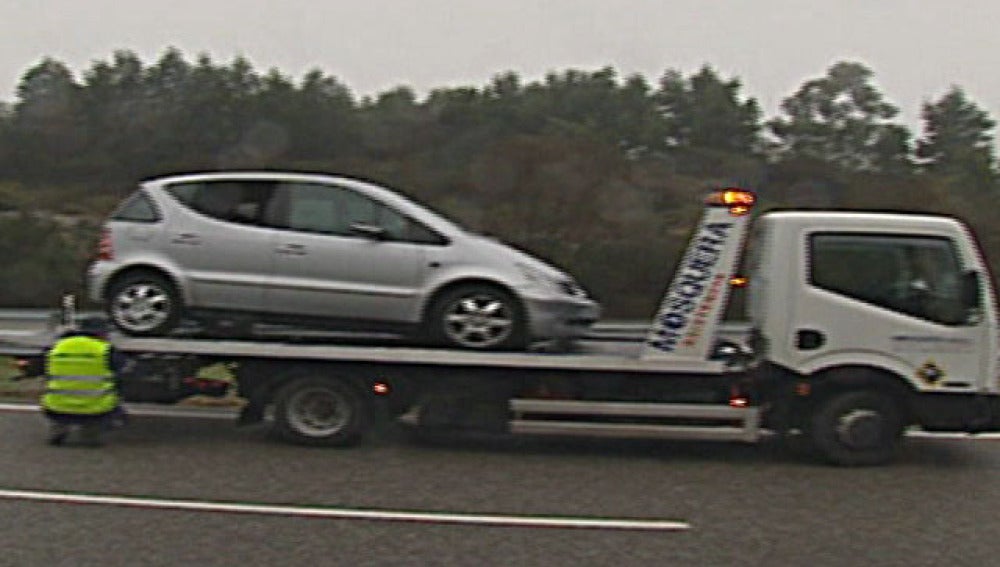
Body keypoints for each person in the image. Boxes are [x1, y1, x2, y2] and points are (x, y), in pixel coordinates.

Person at [42, 316, 127, 447]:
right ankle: (90, 435)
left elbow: (44, 367)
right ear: (101, 333)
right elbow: (121, 366)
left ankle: (58, 430)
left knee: (55, 405)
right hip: (95, 408)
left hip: (57, 406)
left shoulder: (58, 346)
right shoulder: (105, 349)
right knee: (114, 392)